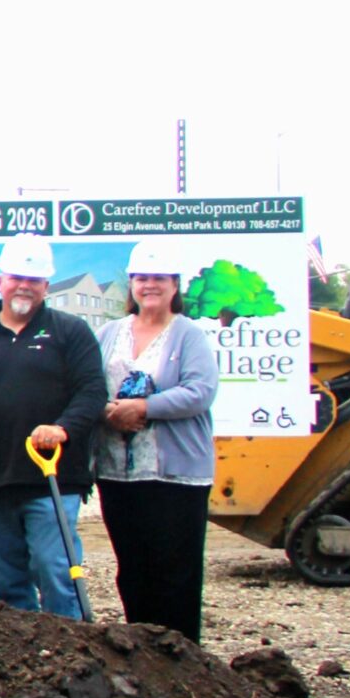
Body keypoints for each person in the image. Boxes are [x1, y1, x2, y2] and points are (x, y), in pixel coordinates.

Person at [0, 234, 106, 617]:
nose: (25, 285)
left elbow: (92, 392)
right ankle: (23, 663)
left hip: (53, 478)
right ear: (0, 280)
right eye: (17, 277)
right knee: (7, 582)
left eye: (34, 279)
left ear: (46, 287)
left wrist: (64, 428)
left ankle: (69, 655)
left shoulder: (70, 332)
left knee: (54, 571)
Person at [92, 239, 219, 640]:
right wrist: (106, 411)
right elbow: (89, 385)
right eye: (142, 278)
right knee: (132, 568)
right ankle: (142, 652)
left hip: (174, 478)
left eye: (159, 278)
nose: (150, 285)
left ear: (175, 285)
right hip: (118, 473)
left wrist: (144, 409)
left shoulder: (188, 335)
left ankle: (181, 657)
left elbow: (200, 392)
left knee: (174, 572)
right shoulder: (110, 333)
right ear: (131, 283)